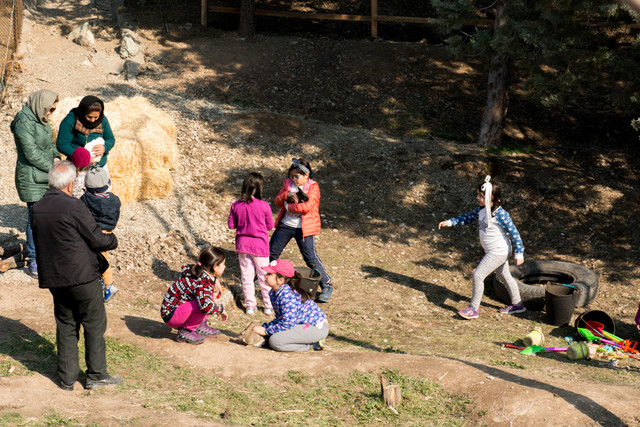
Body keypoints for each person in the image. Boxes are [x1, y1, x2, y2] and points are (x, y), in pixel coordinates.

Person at [31, 161, 121, 391]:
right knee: (94, 323)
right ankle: (97, 374)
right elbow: (97, 239)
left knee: (66, 323)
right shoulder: (74, 206)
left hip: (54, 277)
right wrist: (113, 240)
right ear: (71, 184)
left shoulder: (38, 208)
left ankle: (67, 378)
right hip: (82, 276)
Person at [438, 176, 526, 320]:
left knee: (478, 275)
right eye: (478, 194)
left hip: (499, 251)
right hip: (494, 251)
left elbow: (514, 233)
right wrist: (450, 222)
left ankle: (473, 309)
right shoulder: (481, 210)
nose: (477, 198)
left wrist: (519, 253)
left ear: (493, 199)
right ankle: (518, 304)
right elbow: (466, 218)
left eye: (481, 196)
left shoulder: (501, 215)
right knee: (504, 275)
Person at [269, 157, 334, 303]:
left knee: (310, 257)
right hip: (286, 225)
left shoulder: (313, 187)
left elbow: (308, 207)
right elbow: (277, 200)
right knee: (272, 252)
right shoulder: (287, 184)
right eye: (291, 176)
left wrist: (288, 207)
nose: (294, 179)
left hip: (304, 228)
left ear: (306, 175)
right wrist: (286, 195)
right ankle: (266, 278)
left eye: (297, 177)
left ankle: (326, 283)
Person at [11, 89, 60, 278]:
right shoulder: (23, 121)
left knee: (46, 216)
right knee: (35, 218)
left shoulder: (41, 119)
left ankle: (45, 254)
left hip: (45, 174)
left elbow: (49, 145)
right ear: (41, 104)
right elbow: (30, 152)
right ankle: (34, 260)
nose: (50, 113)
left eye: (53, 110)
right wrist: (53, 168)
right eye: (50, 109)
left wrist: (56, 158)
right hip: (31, 177)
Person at [252, 259, 329, 352]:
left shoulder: (287, 296)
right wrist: (265, 326)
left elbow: (287, 324)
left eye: (269, 274)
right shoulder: (273, 292)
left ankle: (312, 344)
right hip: (299, 325)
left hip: (316, 327)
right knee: (274, 336)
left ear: (280, 280)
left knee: (275, 341)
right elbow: (281, 319)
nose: (265, 275)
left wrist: (266, 331)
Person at [160, 246, 228, 345]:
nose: (225, 267)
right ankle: (186, 331)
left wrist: (215, 281)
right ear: (214, 267)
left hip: (172, 310)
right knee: (202, 304)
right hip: (172, 315)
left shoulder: (197, 270)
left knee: (205, 298)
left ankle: (199, 324)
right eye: (223, 264)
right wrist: (221, 309)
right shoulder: (203, 282)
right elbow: (206, 307)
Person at [228, 173, 275, 315]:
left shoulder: (236, 205)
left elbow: (231, 225)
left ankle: (250, 306)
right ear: (260, 188)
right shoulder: (264, 205)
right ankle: (268, 305)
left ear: (244, 187)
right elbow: (270, 226)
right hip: (260, 246)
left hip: (243, 246)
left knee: (246, 276)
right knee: (264, 276)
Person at [81, 166, 121, 302]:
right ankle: (102, 281)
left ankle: (108, 285)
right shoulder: (115, 200)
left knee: (102, 258)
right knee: (101, 255)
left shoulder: (86, 199)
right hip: (108, 231)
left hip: (94, 232)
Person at [55, 95, 115, 168]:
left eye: (96, 117)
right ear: (82, 113)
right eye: (89, 117)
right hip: (77, 165)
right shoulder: (70, 121)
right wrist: (81, 157)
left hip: (99, 166)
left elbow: (110, 139)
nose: (93, 120)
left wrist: (105, 147)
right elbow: (62, 144)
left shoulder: (103, 120)